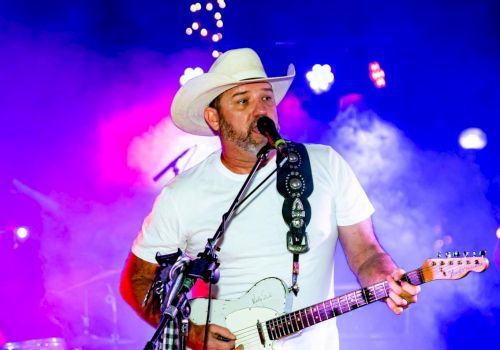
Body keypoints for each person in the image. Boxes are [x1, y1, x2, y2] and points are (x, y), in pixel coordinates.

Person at [120, 48, 420, 350]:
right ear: (214, 118)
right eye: (243, 101)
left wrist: (384, 275)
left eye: (266, 97)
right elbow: (136, 282)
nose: (261, 109)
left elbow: (366, 252)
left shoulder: (324, 165)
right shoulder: (182, 195)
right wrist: (192, 332)